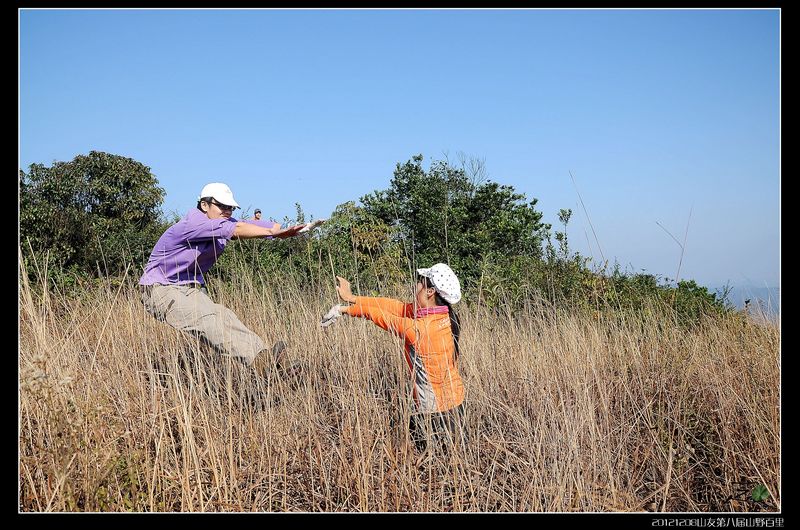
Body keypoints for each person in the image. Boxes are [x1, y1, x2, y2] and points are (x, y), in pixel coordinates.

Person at [139, 182, 318, 379]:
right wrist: (272, 233)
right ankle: (262, 364)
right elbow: (237, 228)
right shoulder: (193, 224)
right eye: (222, 206)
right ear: (204, 205)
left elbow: (255, 225)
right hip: (160, 289)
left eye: (230, 207)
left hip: (189, 289)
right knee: (207, 321)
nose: (227, 211)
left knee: (224, 316)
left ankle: (269, 361)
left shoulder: (221, 220)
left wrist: (289, 230)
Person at [321, 263, 466, 454]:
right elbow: (394, 307)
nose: (416, 286)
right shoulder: (443, 316)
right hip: (456, 403)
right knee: (450, 458)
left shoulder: (420, 330)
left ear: (430, 291)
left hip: (433, 412)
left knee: (431, 461)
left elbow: (380, 316)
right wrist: (352, 298)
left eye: (419, 282)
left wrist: (344, 310)